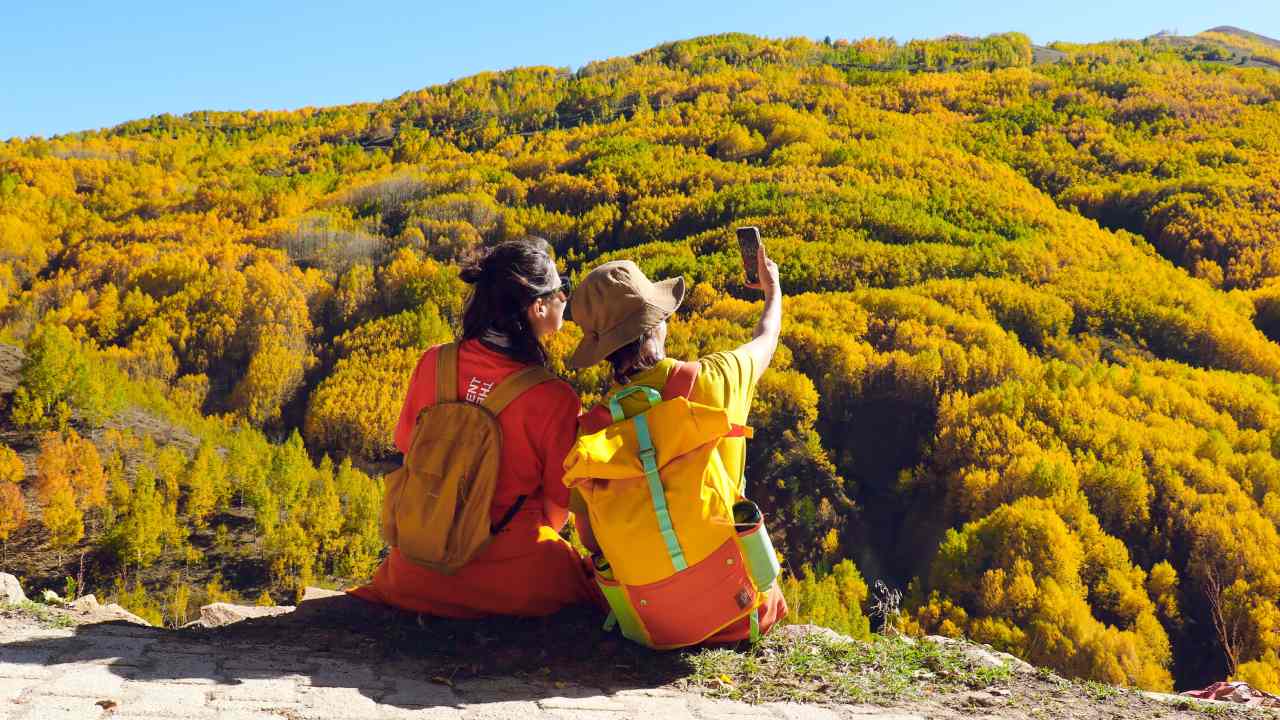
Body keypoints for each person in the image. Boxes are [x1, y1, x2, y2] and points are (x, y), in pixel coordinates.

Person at [350, 238, 601, 618]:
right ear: (538, 307)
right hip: (516, 580)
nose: (566, 297)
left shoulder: (434, 362)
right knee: (596, 591)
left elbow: (408, 451)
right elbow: (555, 511)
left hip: (415, 572)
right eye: (561, 291)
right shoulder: (554, 398)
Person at [565, 241, 788, 643]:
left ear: (601, 351)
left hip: (653, 627)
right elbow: (767, 338)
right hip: (740, 613)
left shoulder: (591, 431)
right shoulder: (712, 378)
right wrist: (773, 293)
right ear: (658, 323)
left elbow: (592, 540)